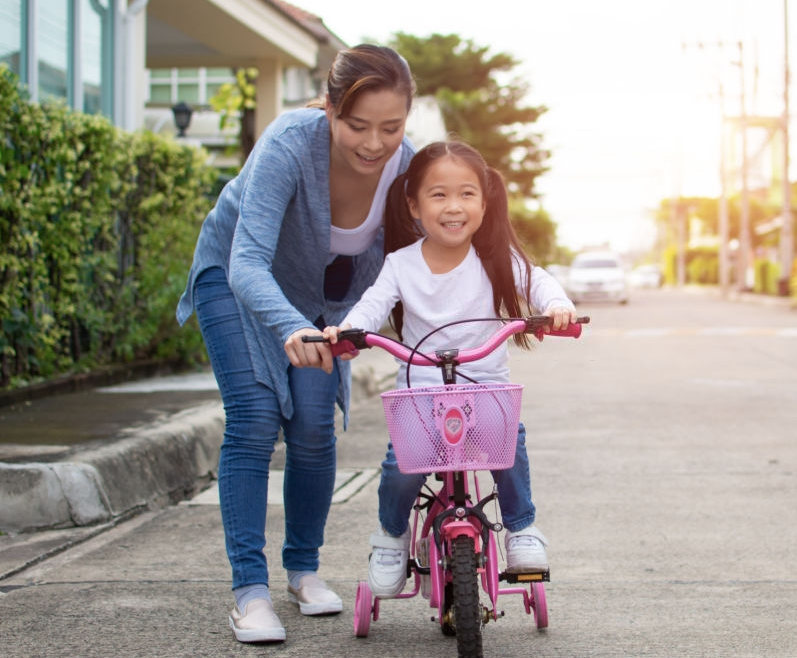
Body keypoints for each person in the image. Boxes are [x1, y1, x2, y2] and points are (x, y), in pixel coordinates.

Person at [174, 44, 417, 643]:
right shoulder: (290, 141)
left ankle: (302, 570)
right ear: (330, 109)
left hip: (321, 305)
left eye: (391, 127)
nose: (373, 143)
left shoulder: (405, 165)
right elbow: (247, 261)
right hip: (236, 282)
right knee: (256, 418)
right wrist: (289, 325)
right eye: (358, 125)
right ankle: (250, 593)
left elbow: (413, 263)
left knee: (312, 425)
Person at [323, 140, 577, 598]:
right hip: (421, 399)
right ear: (414, 206)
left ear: (484, 202)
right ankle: (391, 537)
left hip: (485, 393)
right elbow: (372, 304)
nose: (453, 207)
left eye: (466, 194)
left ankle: (521, 530)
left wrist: (556, 306)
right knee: (400, 469)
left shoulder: (496, 257)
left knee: (509, 450)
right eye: (438, 195)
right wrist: (350, 331)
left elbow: (536, 280)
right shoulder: (400, 264)